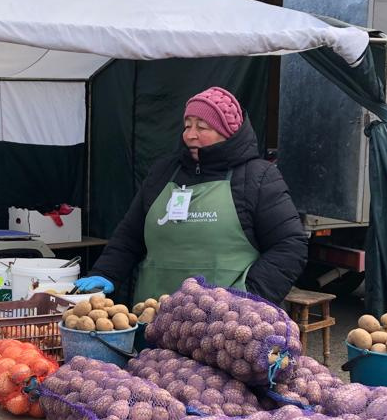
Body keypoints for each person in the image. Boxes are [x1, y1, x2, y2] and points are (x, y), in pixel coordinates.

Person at [75, 86, 308, 305]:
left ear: (227, 133)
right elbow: (129, 237)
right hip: (154, 316)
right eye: (187, 125)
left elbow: (289, 245)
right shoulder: (164, 171)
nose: (190, 135)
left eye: (202, 127)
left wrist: (248, 297)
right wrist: (105, 273)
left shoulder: (257, 177)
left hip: (224, 326)